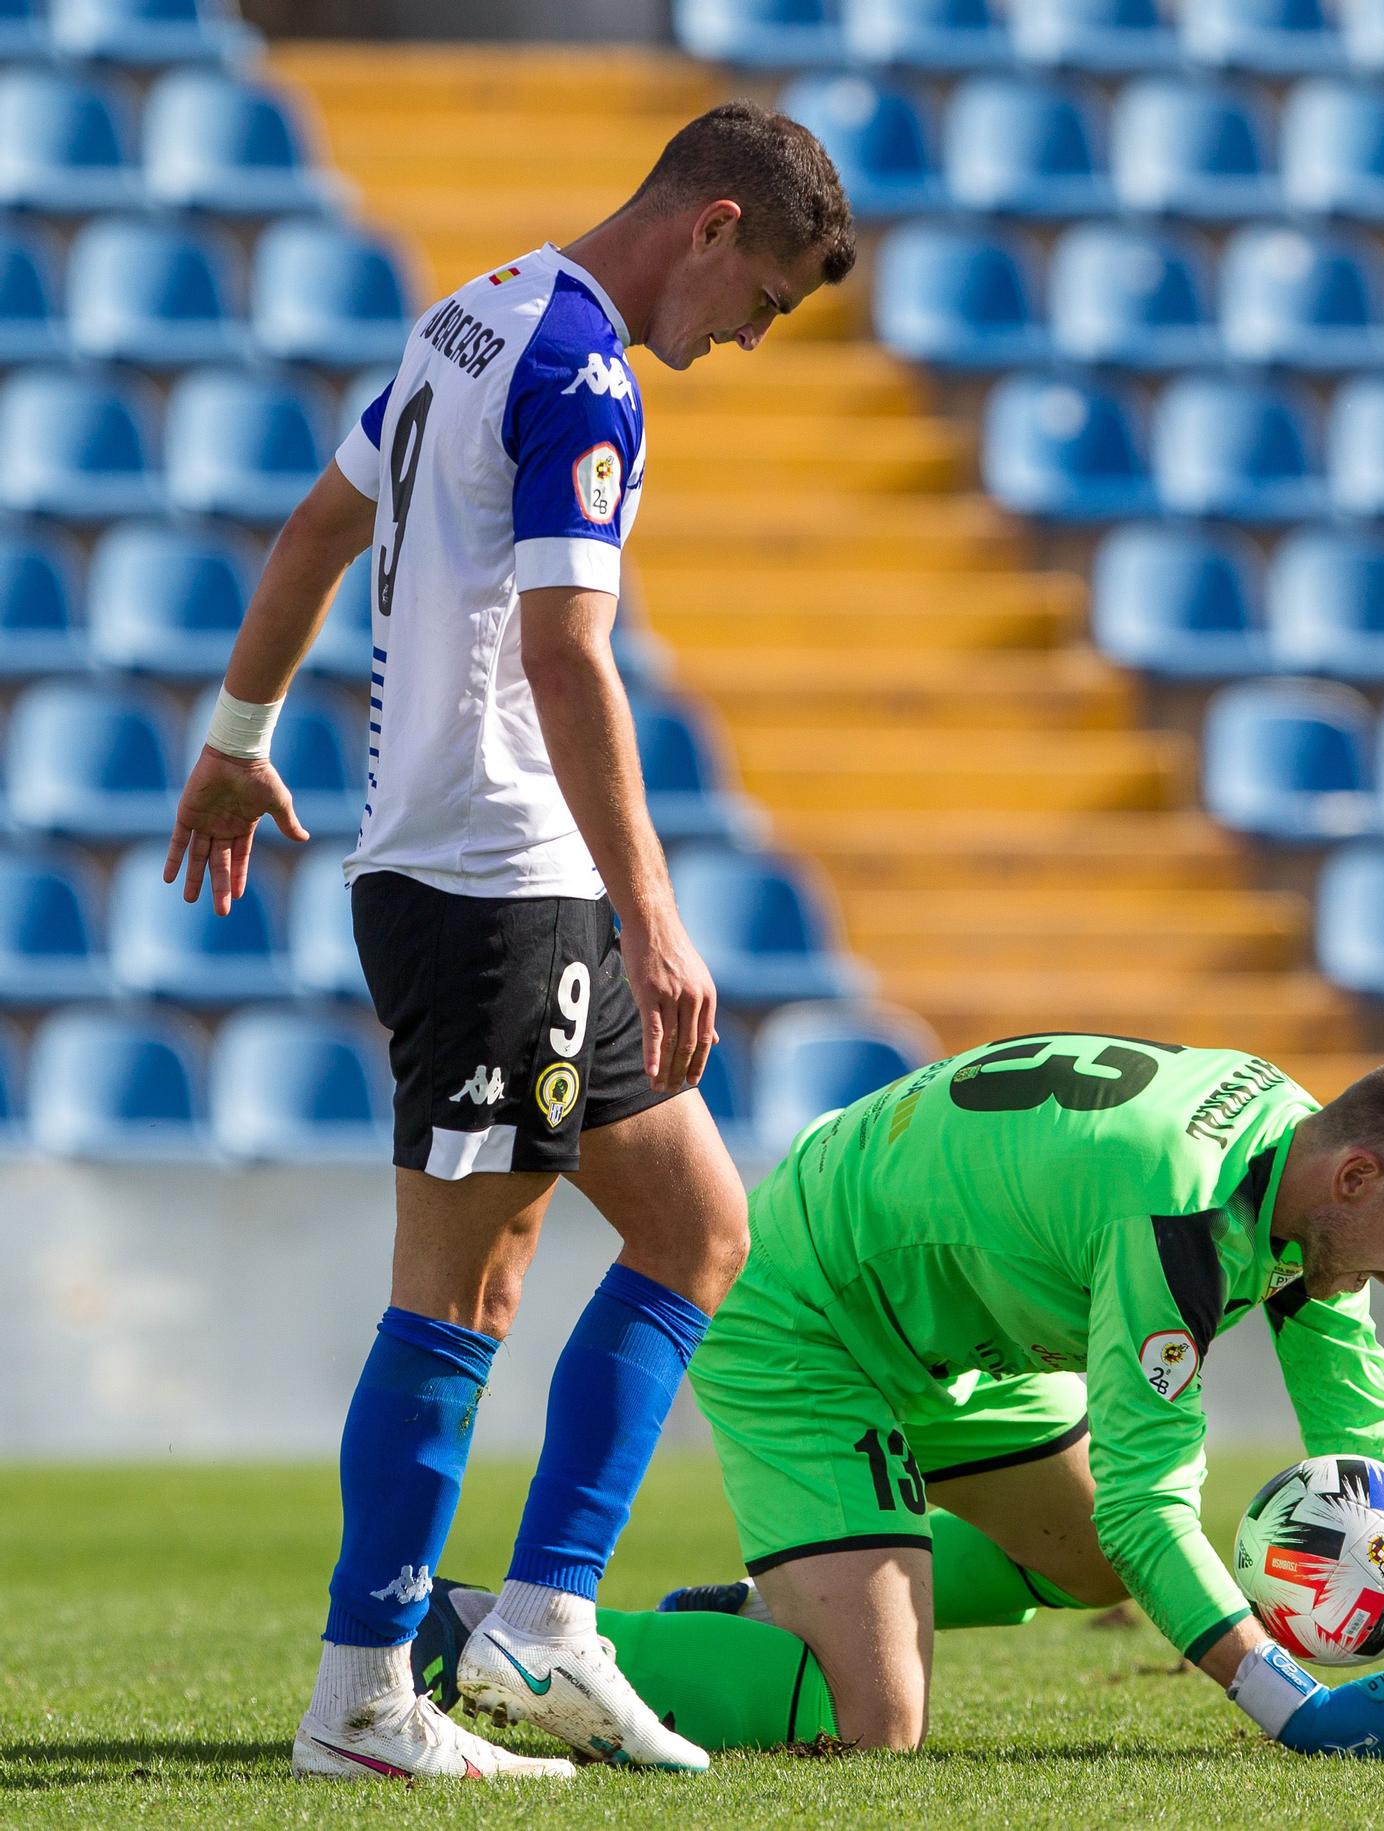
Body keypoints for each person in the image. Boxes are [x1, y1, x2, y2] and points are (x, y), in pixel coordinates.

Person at [162, 102, 856, 1784]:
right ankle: (366, 1696)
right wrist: (656, 910)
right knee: (461, 1290)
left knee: (699, 1227)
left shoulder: (466, 314)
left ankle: (544, 1623)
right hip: (493, 892)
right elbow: (566, 655)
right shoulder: (585, 373)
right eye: (759, 299)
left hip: (494, 881)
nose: (743, 340)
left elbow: (322, 529)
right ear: (708, 225)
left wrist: (239, 731)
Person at [415, 1040, 1384, 1762]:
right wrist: (1295, 1711)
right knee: (872, 1724)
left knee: (1088, 1566)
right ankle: (474, 1634)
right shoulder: (1174, 1213)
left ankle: (769, 1612)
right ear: (1359, 1177)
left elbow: (1360, 1424)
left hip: (962, 1320)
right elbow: (1146, 1504)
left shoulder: (1300, 1156)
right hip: (808, 1310)